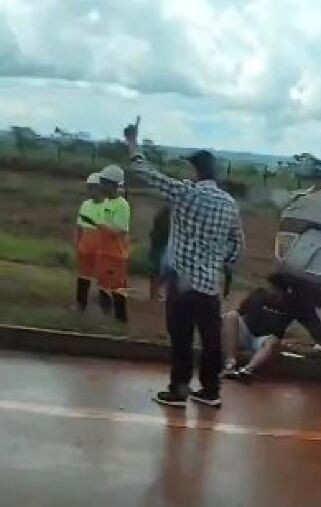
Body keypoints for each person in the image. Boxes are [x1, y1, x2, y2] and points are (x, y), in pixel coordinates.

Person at [124, 117, 244, 408]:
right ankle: (211, 390)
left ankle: (179, 389)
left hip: (182, 282)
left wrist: (132, 143)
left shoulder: (185, 193)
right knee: (210, 339)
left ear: (195, 171)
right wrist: (217, 263)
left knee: (181, 337)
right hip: (209, 286)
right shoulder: (229, 203)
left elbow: (144, 171)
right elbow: (237, 247)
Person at [222, 274, 321, 382]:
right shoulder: (258, 294)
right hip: (246, 333)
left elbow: (311, 327)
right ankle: (230, 363)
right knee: (231, 315)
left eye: (272, 288)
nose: (268, 290)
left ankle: (247, 370)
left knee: (273, 340)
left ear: (281, 291)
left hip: (263, 341)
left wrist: (300, 341)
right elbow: (240, 313)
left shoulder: (293, 304)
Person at [96, 164, 131, 323]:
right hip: (104, 252)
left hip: (116, 254)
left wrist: (99, 225)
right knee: (103, 286)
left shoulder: (122, 205)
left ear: (113, 184)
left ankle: (120, 320)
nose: (101, 185)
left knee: (117, 288)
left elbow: (120, 230)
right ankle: (106, 319)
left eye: (104, 182)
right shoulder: (105, 202)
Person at [74, 172, 104, 310]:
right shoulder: (85, 204)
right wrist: (77, 243)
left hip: (102, 247)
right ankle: (81, 304)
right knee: (83, 276)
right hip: (85, 245)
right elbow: (79, 226)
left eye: (93, 187)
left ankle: (105, 306)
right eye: (89, 187)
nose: (91, 190)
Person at [148, 205, 171, 301]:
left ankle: (154, 293)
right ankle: (155, 294)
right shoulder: (168, 218)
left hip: (157, 246)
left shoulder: (160, 215)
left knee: (157, 272)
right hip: (162, 247)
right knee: (161, 272)